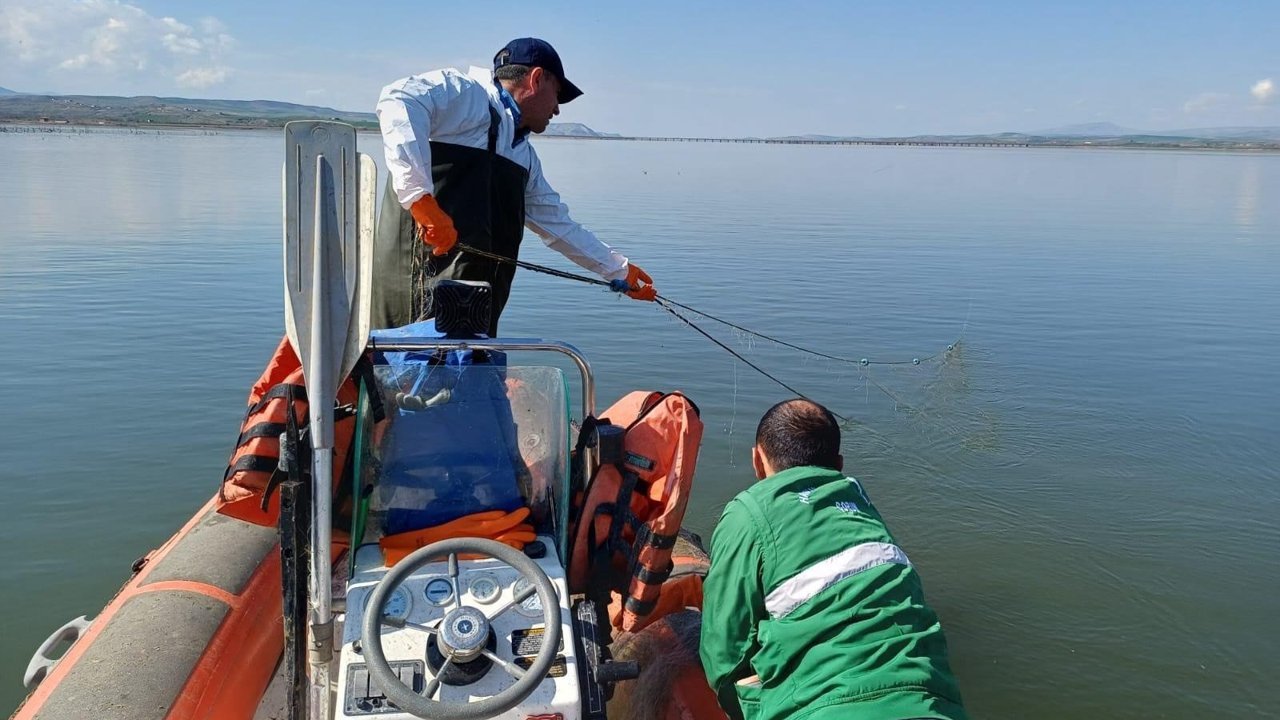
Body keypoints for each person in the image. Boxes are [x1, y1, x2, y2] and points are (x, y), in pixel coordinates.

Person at [700, 399, 967, 720]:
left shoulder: (750, 511)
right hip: (935, 706)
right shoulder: (860, 504)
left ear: (757, 460)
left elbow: (725, 649)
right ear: (839, 464)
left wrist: (738, 705)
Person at [373, 37, 656, 334]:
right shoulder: (467, 96)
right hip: (414, 302)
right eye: (557, 95)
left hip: (475, 315)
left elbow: (558, 225)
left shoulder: (525, 158)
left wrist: (619, 270)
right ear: (536, 80)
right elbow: (399, 98)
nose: (557, 110)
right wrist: (420, 200)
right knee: (402, 374)